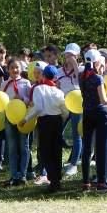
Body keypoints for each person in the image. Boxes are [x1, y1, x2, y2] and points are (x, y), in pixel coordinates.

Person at [79, 49, 107, 192]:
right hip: (100, 114)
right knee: (100, 147)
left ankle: (85, 182)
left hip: (87, 114)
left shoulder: (82, 77)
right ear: (97, 62)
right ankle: (102, 182)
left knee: (86, 148)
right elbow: (104, 100)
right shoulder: (98, 78)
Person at [24, 64, 68, 192]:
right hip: (57, 121)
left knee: (45, 152)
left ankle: (52, 179)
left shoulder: (39, 89)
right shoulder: (59, 92)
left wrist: (26, 119)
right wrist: (62, 120)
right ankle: (57, 180)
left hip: (45, 122)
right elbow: (65, 111)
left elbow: (37, 108)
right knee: (56, 151)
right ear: (55, 77)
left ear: (43, 75)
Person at [0, 58, 31, 186]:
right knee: (12, 147)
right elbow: (0, 100)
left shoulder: (26, 83)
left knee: (24, 146)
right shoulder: (4, 85)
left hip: (23, 118)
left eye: (17, 67)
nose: (15, 70)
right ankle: (14, 175)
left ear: (21, 69)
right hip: (9, 118)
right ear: (8, 70)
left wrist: (22, 98)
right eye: (12, 67)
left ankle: (23, 175)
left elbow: (30, 100)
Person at [57, 43, 82, 176]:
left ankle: (73, 164)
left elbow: (81, 81)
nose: (69, 57)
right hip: (62, 105)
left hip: (77, 106)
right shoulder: (59, 71)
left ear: (77, 56)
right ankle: (57, 161)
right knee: (57, 133)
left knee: (77, 135)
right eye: (68, 54)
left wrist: (76, 66)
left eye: (72, 54)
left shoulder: (81, 69)